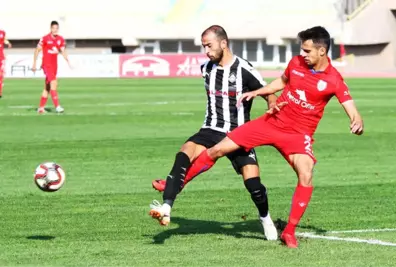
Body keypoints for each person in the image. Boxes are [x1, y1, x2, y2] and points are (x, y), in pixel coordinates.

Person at [155, 26, 364, 248]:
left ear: (321, 51)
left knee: (306, 174)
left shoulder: (333, 79)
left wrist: (356, 119)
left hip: (298, 134)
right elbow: (281, 83)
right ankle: (177, 185)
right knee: (217, 149)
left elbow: (348, 104)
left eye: (307, 51)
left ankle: (289, 231)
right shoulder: (296, 63)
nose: (302, 54)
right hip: (271, 123)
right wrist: (259, 92)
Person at [149, 25, 285, 241]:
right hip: (210, 129)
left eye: (209, 46)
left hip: (239, 133)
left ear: (223, 43)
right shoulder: (206, 68)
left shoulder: (244, 69)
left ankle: (265, 217)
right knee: (184, 152)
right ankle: (166, 206)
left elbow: (268, 91)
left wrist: (272, 104)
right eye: (204, 46)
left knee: (253, 185)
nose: (206, 51)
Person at [32, 21, 71, 114]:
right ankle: (57, 106)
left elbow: (62, 50)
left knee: (47, 88)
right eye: (53, 28)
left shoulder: (60, 39)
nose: (55, 30)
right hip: (46, 64)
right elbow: (37, 50)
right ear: (50, 28)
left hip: (54, 66)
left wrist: (68, 60)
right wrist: (34, 63)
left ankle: (41, 108)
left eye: (56, 28)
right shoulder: (45, 38)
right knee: (54, 83)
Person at [0, 29, 12, 98]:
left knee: (1, 75)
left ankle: (0, 92)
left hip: (1, 57)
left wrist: (8, 43)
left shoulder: (2, 32)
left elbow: (4, 39)